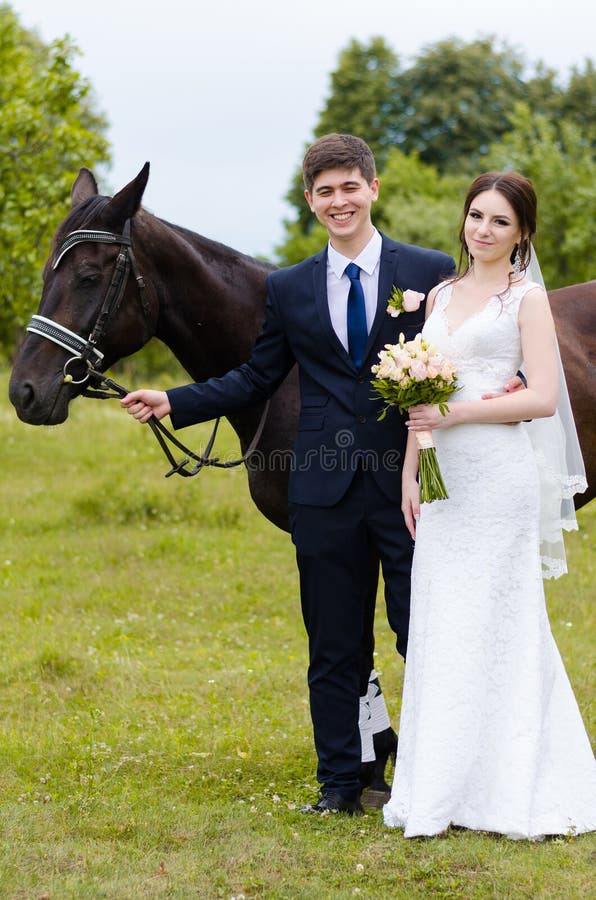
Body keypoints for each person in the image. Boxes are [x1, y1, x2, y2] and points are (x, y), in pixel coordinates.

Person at [121, 133, 456, 814]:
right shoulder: (290, 287)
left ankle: (432, 778)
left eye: (349, 187)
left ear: (373, 189)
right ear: (310, 201)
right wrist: (174, 401)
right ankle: (340, 785)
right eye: (325, 191)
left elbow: (458, 365)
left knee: (423, 631)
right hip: (322, 488)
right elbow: (256, 375)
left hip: (411, 487)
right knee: (333, 643)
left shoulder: (429, 269)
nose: (339, 201)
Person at [383, 171, 596, 839]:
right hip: (445, 477)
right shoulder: (441, 294)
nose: (483, 230)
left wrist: (459, 410)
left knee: (500, 622)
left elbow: (538, 399)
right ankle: (440, 785)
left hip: (499, 478)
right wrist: (412, 474)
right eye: (477, 216)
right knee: (443, 622)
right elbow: (420, 393)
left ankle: (512, 786)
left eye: (500, 221)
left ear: (522, 233)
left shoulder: (525, 300)